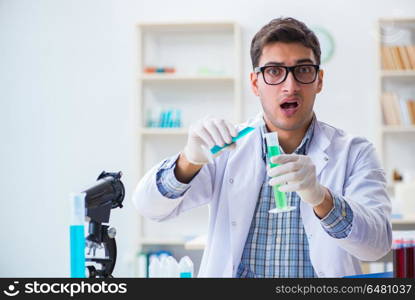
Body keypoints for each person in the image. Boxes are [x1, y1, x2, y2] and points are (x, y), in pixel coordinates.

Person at [132, 17, 392, 278]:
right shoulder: (226, 147)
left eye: (303, 70)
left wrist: (321, 198)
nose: (290, 86)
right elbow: (148, 207)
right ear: (255, 83)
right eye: (274, 71)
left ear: (319, 80)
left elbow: (376, 246)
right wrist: (188, 161)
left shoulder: (354, 153)